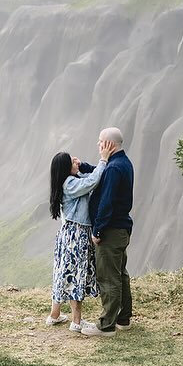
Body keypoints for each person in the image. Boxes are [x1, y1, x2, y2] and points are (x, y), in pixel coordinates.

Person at [47, 138, 115, 333]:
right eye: (72, 162)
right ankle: (77, 322)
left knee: (62, 273)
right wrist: (103, 160)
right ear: (66, 169)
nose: (76, 163)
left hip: (68, 234)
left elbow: (87, 177)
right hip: (77, 234)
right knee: (75, 275)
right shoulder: (70, 184)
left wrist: (79, 165)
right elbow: (93, 181)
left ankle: (55, 314)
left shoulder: (66, 181)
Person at [82, 127, 134, 337]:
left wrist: (98, 229)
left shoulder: (113, 168)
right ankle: (123, 318)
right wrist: (83, 167)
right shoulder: (122, 162)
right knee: (120, 275)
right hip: (121, 229)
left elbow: (107, 202)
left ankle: (106, 325)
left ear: (109, 144)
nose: (98, 144)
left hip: (111, 231)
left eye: (100, 141)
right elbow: (102, 173)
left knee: (108, 277)